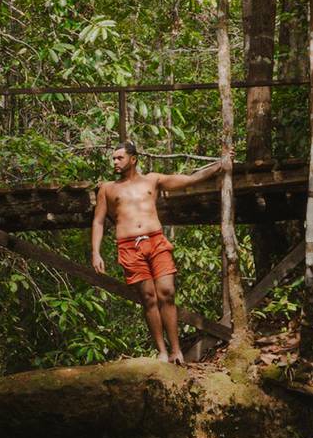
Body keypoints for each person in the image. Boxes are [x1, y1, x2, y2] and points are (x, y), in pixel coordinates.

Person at [90, 140, 227, 366]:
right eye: (113, 158)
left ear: (133, 159)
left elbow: (189, 179)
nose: (115, 162)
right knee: (148, 298)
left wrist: (219, 165)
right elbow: (98, 221)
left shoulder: (152, 180)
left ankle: (176, 350)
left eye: (119, 158)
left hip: (156, 242)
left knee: (167, 293)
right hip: (128, 246)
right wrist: (96, 252)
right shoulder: (107, 188)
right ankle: (162, 352)